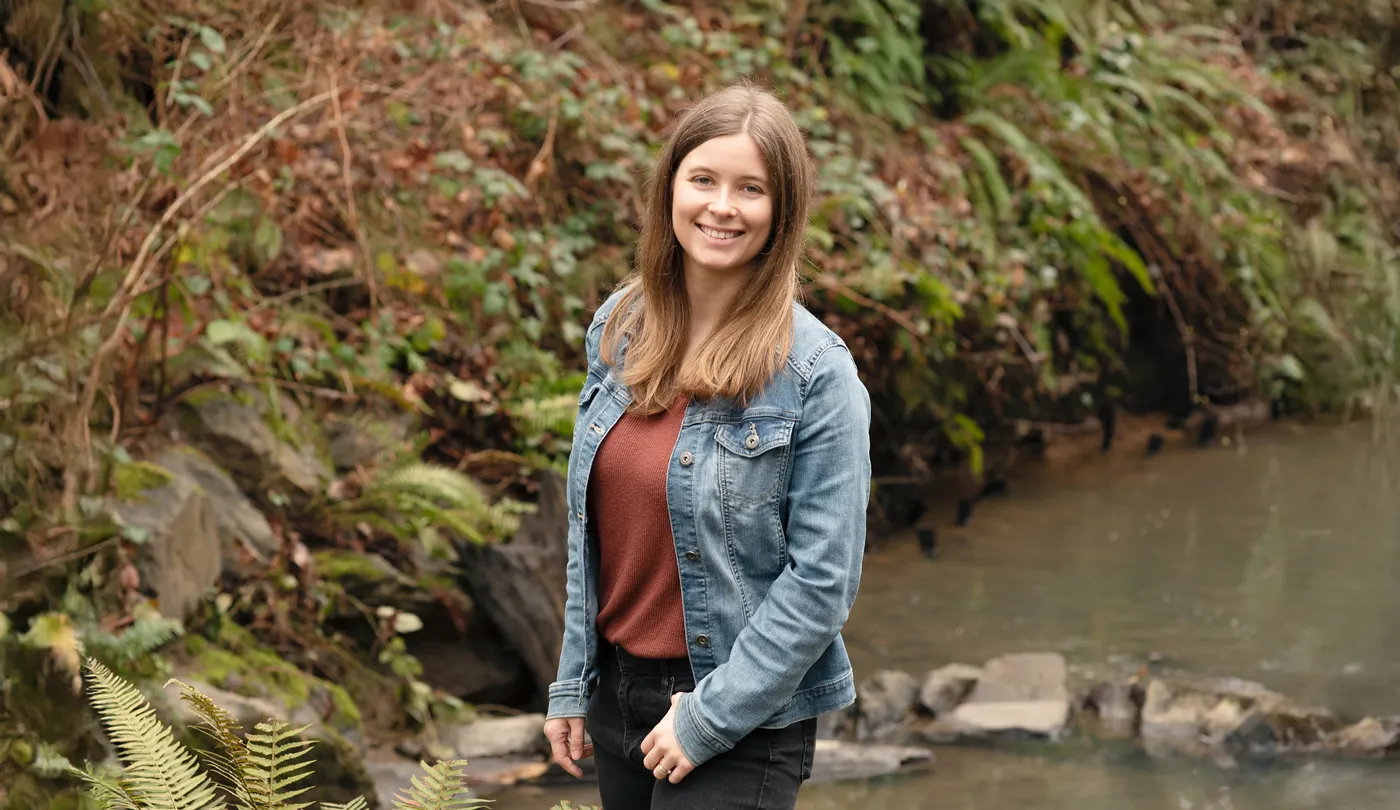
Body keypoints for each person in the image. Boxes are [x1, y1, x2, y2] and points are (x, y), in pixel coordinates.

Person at [542, 79, 871, 810]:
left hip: (743, 710)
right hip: (618, 696)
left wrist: (708, 717)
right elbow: (590, 530)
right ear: (670, 188)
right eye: (703, 180)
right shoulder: (620, 327)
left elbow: (823, 582)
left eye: (750, 189)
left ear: (781, 211)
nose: (722, 206)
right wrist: (573, 678)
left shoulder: (817, 374)